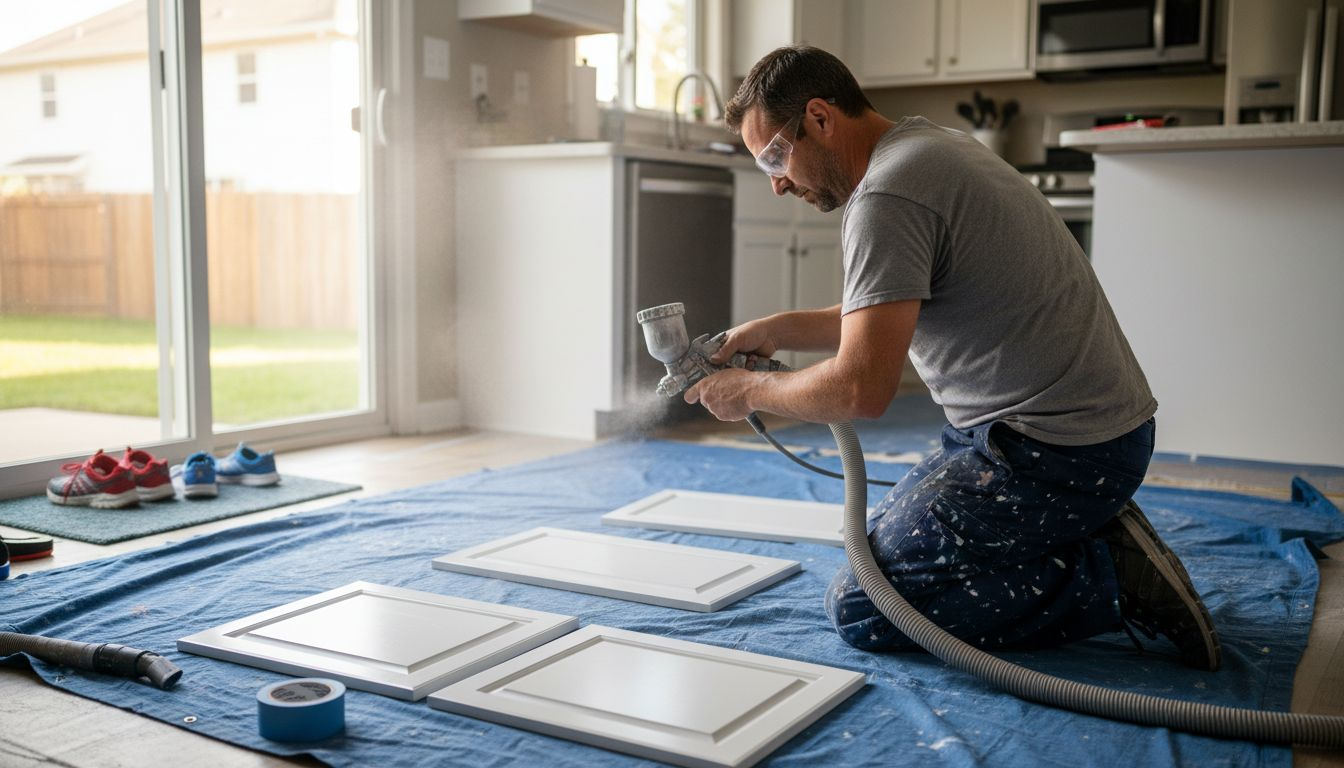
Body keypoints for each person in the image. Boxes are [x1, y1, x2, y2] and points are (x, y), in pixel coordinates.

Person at [686, 46, 1221, 670]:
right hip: (1087, 433)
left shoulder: (887, 195)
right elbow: (885, 312)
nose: (777, 182)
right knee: (878, 542)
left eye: (775, 157)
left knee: (865, 603)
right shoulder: (925, 149)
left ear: (820, 118)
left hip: (1056, 453)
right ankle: (1089, 528)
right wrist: (778, 330)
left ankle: (1109, 579)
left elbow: (861, 389)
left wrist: (748, 391)